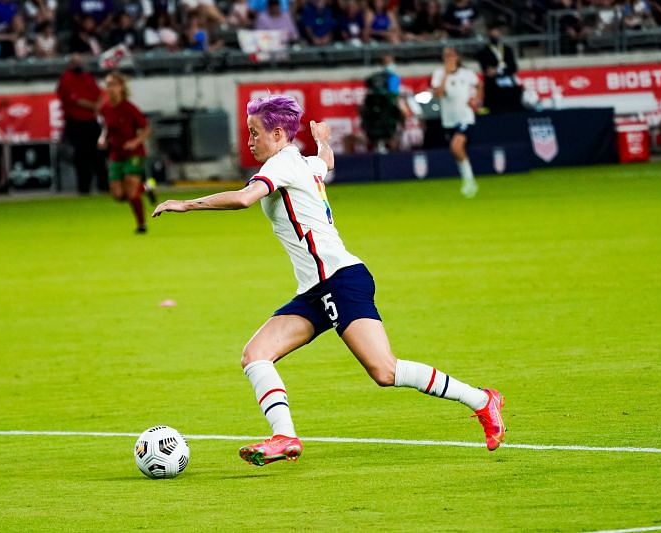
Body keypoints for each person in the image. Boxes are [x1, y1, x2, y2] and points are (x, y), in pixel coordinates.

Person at [151, 95, 506, 466]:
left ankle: (483, 400)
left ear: (277, 133)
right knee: (255, 355)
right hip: (314, 290)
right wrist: (323, 141)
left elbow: (244, 199)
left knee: (384, 370)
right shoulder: (303, 163)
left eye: (254, 133)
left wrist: (185, 204)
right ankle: (284, 436)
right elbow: (325, 163)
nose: (250, 140)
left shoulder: (283, 164)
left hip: (340, 280)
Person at [98, 71, 153, 234]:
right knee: (118, 195)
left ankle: (141, 225)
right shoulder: (106, 108)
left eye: (114, 84)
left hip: (134, 154)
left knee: (131, 194)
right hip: (116, 154)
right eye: (108, 85)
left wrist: (135, 141)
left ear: (122, 87)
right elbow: (106, 127)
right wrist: (102, 138)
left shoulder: (130, 108)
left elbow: (146, 128)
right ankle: (146, 187)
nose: (111, 88)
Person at [431, 47, 481, 198]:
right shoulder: (438, 74)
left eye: (451, 55)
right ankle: (467, 178)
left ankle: (469, 180)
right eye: (446, 56)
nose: (449, 59)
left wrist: (476, 100)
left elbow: (479, 85)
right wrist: (446, 74)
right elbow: (438, 94)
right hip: (449, 119)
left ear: (457, 57)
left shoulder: (467, 74)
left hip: (465, 116)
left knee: (456, 146)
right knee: (456, 151)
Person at [56, 54, 108, 194]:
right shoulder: (66, 78)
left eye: (80, 62)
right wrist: (94, 106)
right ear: (70, 64)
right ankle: (84, 187)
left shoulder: (87, 77)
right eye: (75, 62)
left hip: (91, 121)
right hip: (76, 122)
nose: (78, 65)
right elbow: (74, 99)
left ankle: (104, 185)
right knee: (81, 155)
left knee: (98, 154)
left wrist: (98, 105)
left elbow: (100, 95)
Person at [476, 23, 522, 114]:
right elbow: (487, 71)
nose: (495, 35)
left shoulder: (508, 50)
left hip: (509, 87)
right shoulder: (483, 52)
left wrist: (497, 70)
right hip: (493, 89)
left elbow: (513, 68)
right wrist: (504, 70)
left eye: (496, 32)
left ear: (500, 33)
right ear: (488, 34)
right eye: (492, 33)